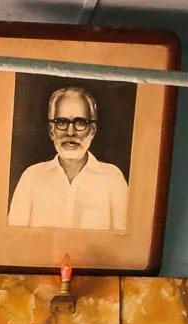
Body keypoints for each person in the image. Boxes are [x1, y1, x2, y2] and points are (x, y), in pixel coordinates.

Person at [7, 86, 128, 231]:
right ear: (52, 131)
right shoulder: (31, 177)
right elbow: (14, 241)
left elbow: (124, 243)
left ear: (92, 131)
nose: (70, 132)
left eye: (80, 122)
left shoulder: (113, 179)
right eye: (62, 122)